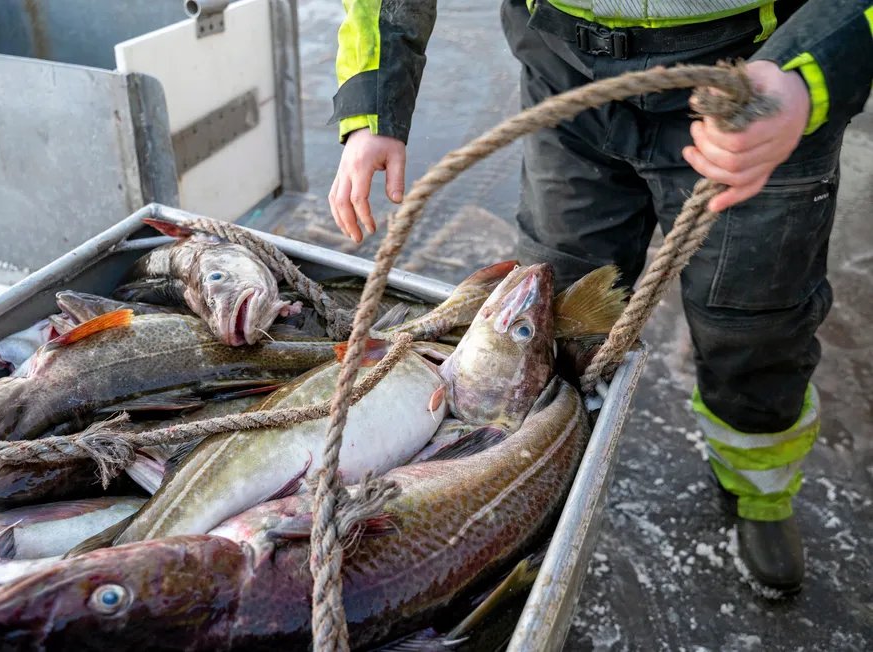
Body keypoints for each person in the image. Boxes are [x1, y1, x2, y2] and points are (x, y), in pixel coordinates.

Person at [326, 0, 873, 595]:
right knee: (554, 317)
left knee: (756, 328)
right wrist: (374, 102)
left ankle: (759, 491)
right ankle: (528, 481)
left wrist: (811, 66)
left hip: (755, 81)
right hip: (563, 72)